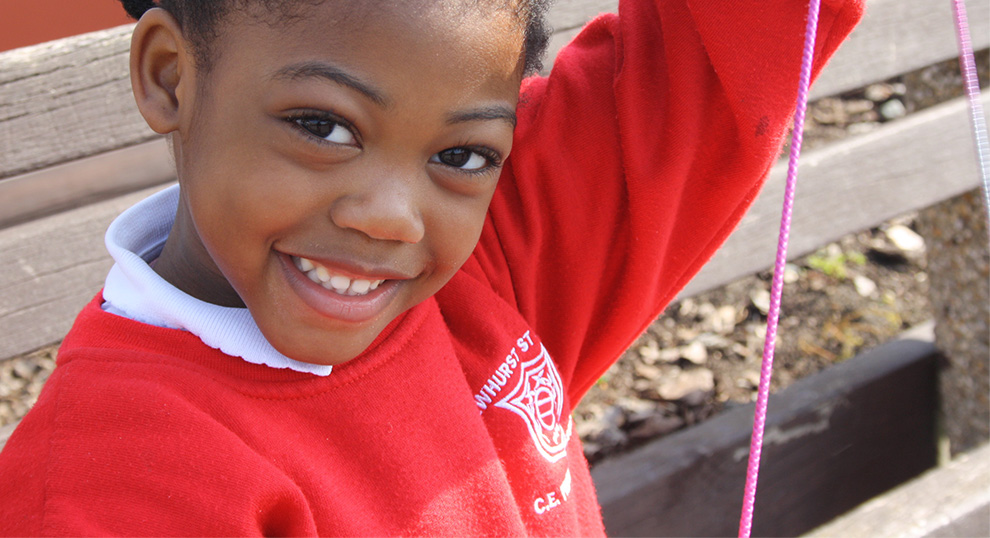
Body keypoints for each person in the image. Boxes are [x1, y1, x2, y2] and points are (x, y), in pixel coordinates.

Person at [0, 0, 863, 535]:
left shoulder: (488, 269)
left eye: (462, 154)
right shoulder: (105, 485)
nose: (391, 216)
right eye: (323, 127)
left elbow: (725, 45)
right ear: (170, 76)